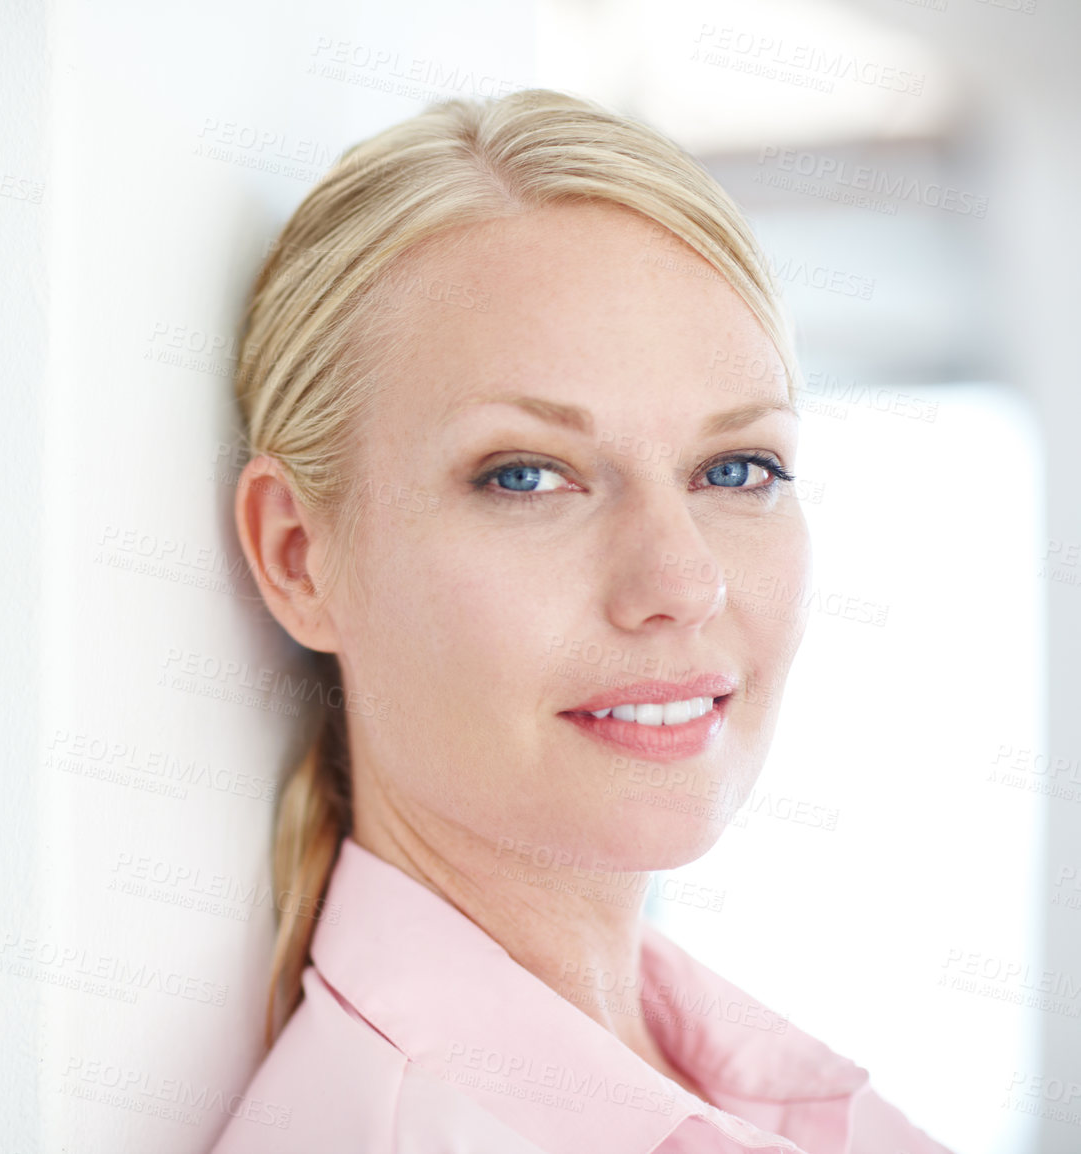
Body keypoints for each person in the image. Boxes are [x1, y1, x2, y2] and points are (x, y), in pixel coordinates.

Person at [209, 89, 951, 1154]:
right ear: (298, 555)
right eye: (528, 476)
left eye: (737, 467)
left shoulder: (723, 1072)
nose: (681, 580)